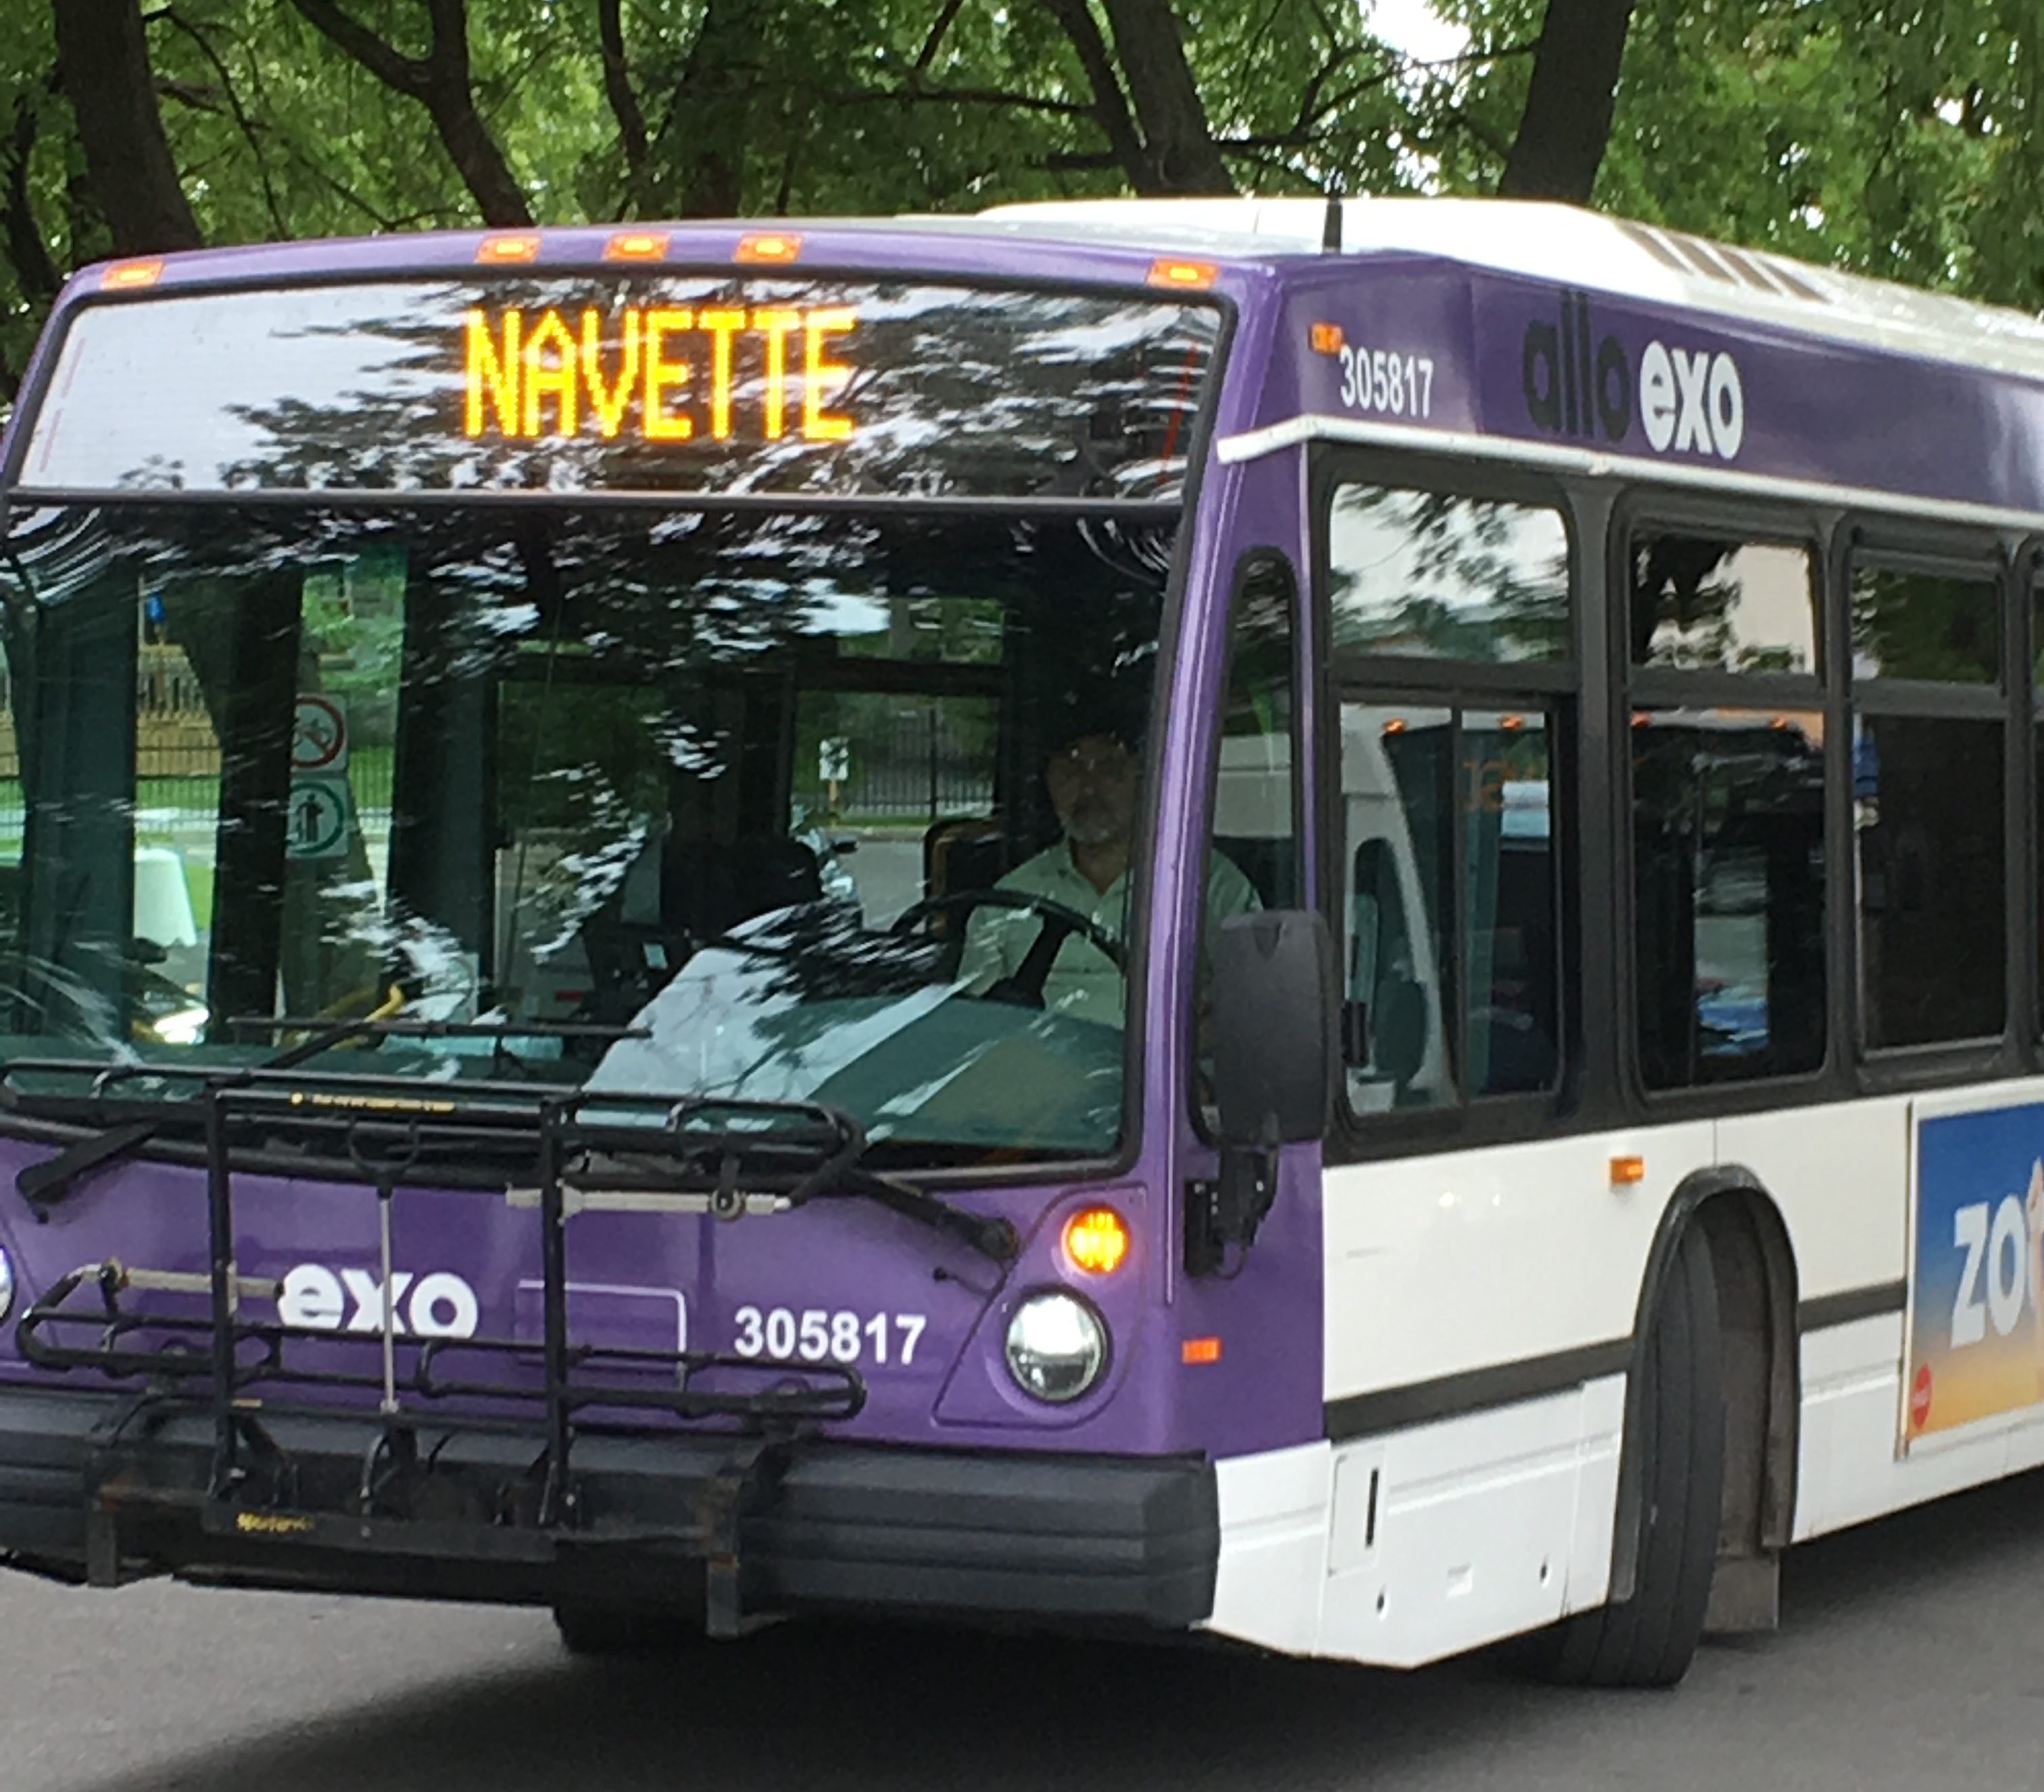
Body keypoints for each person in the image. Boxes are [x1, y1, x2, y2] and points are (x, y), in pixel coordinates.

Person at [958, 713, 1259, 1026]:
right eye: (1070, 771)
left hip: (1159, 1072)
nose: (1089, 788)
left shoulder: (1209, 884)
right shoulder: (1008, 899)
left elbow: (1252, 1015)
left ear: (1142, 777)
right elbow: (972, 1024)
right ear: (1049, 783)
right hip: (1037, 1068)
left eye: (1109, 769)